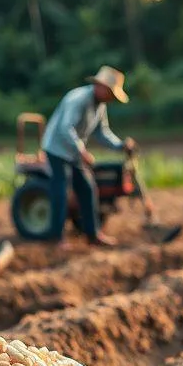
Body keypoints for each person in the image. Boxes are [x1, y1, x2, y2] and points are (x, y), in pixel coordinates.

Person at [41, 65, 136, 247]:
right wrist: (82, 152)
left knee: (87, 187)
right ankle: (56, 237)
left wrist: (120, 145)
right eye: (111, 93)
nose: (111, 98)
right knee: (60, 189)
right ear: (101, 87)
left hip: (73, 151)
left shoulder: (100, 105)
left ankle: (92, 234)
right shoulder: (77, 99)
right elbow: (65, 128)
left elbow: (102, 132)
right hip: (56, 148)